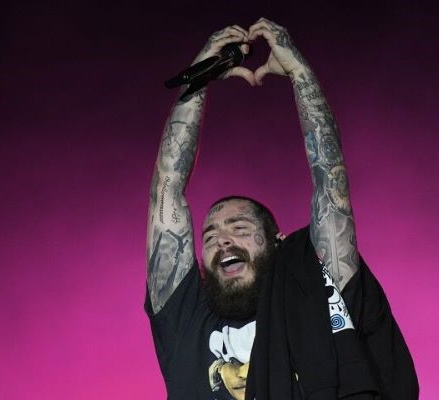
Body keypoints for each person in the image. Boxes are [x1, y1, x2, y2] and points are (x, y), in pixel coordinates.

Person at [145, 18, 418, 399]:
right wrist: (198, 81)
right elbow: (167, 189)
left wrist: (299, 73)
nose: (223, 240)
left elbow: (330, 184)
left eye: (240, 228)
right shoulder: (186, 322)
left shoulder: (316, 293)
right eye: (210, 236)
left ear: (279, 242)